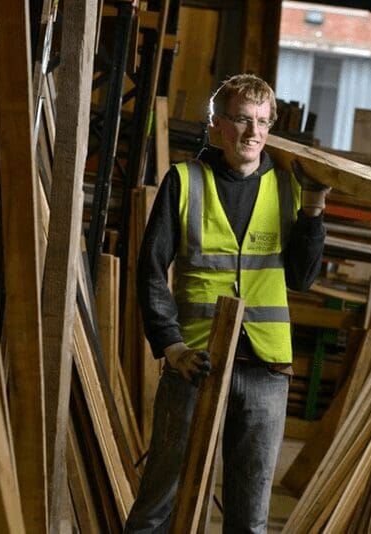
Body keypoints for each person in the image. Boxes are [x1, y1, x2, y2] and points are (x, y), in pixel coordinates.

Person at [125, 74, 328, 533]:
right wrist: (171, 347)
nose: (252, 132)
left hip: (266, 369)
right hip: (195, 363)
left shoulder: (287, 188)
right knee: (159, 504)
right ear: (217, 126)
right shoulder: (184, 180)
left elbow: (301, 277)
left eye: (262, 121)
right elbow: (151, 270)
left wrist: (314, 209)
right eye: (240, 119)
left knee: (250, 516)